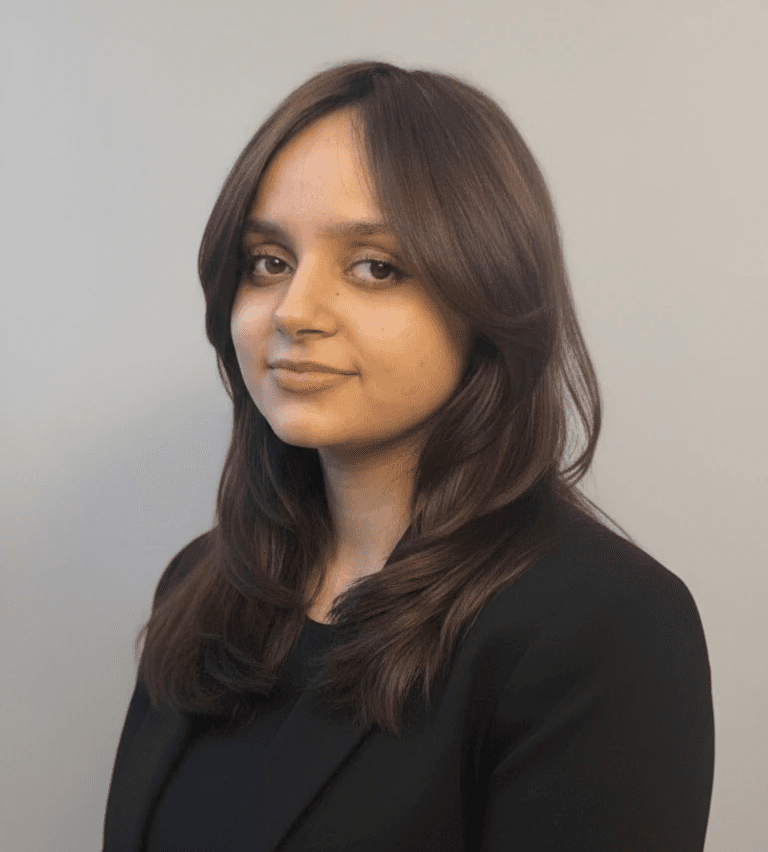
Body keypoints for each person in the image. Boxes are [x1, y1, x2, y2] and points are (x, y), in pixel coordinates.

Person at [102, 59, 714, 852]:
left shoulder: (602, 629)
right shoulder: (202, 584)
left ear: (486, 295)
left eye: (375, 267)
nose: (294, 311)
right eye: (269, 262)